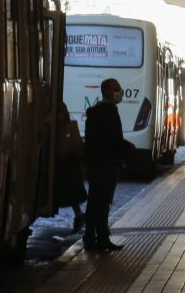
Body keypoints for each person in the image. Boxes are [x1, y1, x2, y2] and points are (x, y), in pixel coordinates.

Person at [82, 78, 134, 252]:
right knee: (103, 202)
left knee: (94, 200)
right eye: (117, 89)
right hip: (108, 164)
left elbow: (91, 141)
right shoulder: (110, 112)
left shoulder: (93, 112)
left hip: (95, 164)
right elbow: (114, 139)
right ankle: (102, 237)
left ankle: (90, 236)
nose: (120, 92)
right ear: (109, 92)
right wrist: (129, 149)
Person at [55, 102, 87, 232]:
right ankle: (78, 215)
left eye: (61, 112)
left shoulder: (71, 126)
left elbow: (77, 144)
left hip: (69, 164)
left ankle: (79, 215)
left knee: (71, 190)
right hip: (61, 164)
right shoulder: (53, 126)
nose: (59, 116)